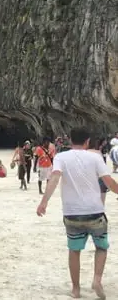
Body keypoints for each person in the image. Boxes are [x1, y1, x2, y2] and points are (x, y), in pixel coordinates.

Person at [36, 127, 118, 300]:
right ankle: (96, 280)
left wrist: (44, 202)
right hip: (95, 211)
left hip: (72, 213)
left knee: (74, 251)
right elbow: (109, 182)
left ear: (70, 140)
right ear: (87, 141)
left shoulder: (60, 157)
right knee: (101, 247)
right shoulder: (95, 157)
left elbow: (55, 178)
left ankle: (76, 289)